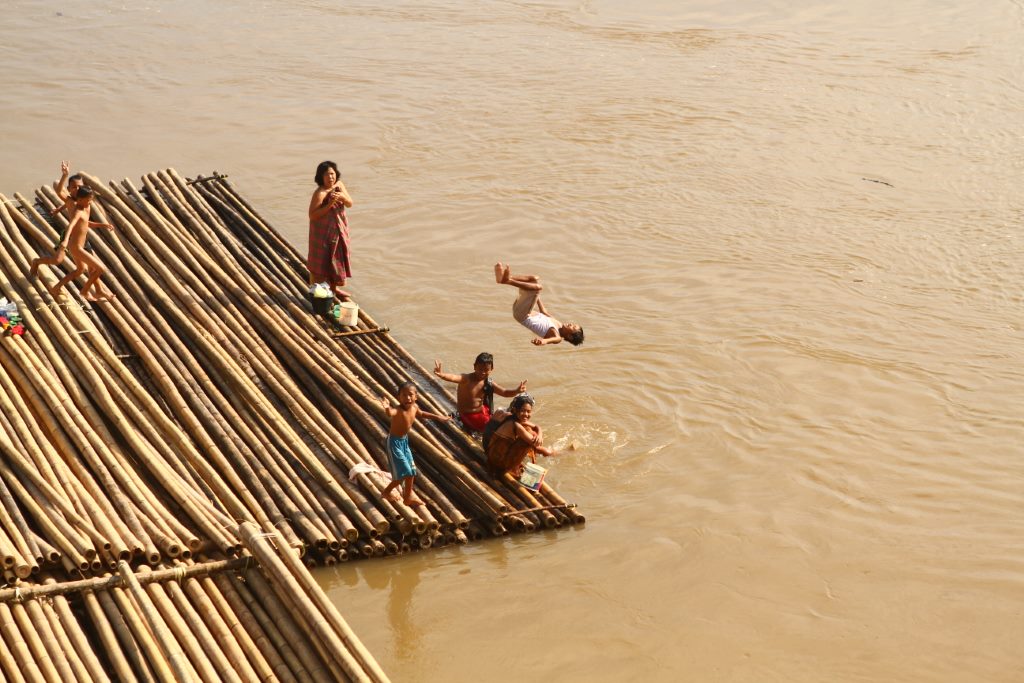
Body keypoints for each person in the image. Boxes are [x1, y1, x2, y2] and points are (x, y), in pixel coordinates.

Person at [379, 381, 452, 506]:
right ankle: (386, 492)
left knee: (412, 472)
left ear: (416, 397)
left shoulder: (415, 407)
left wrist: (438, 417)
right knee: (404, 473)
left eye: (410, 395)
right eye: (404, 395)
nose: (408, 398)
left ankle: (407, 498)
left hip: (404, 442)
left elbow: (422, 414)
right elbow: (390, 413)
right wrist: (386, 408)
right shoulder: (397, 409)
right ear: (398, 398)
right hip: (394, 443)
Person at [40, 186, 116, 301]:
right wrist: (65, 240)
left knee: (80, 270)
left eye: (91, 199)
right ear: (79, 200)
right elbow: (71, 225)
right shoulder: (78, 211)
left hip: (80, 246)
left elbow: (86, 223)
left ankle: (56, 288)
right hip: (77, 247)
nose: (90, 201)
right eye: (88, 199)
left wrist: (103, 225)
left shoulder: (87, 207)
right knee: (101, 269)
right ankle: (84, 291)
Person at [30, 162, 106, 277]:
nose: (77, 189)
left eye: (79, 187)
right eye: (74, 187)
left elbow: (69, 205)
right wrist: (64, 175)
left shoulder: (84, 200)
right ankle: (37, 261)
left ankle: (97, 290)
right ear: (69, 189)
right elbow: (60, 192)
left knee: (89, 267)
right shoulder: (70, 200)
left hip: (81, 237)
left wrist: (59, 209)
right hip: (69, 235)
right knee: (57, 260)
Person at [494, 262, 584, 347]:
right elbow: (543, 312)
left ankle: (507, 281)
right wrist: (537, 296)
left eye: (573, 327)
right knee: (534, 279)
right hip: (523, 310)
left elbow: (550, 340)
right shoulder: (559, 324)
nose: (571, 324)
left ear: (570, 336)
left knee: (538, 287)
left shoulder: (558, 337)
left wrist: (542, 341)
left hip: (522, 315)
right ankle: (504, 278)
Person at [433, 352, 527, 433]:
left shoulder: (488, 382)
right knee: (493, 428)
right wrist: (442, 375)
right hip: (468, 414)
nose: (482, 372)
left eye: (486, 370)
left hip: (483, 411)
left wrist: (516, 391)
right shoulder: (466, 379)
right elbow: (454, 377)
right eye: (480, 369)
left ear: (491, 370)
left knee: (507, 416)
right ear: (474, 366)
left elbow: (505, 392)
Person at [308, 160, 354, 301]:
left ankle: (334, 289)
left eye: (332, 174)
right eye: (327, 175)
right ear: (321, 177)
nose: (331, 178)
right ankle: (322, 293)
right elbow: (312, 215)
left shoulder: (339, 186)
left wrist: (342, 197)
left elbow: (350, 203)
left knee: (336, 261)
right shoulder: (320, 193)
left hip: (338, 231)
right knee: (321, 264)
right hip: (322, 235)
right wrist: (331, 204)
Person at [484, 393, 556, 478]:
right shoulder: (516, 426)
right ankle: (514, 469)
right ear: (515, 410)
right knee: (528, 438)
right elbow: (536, 443)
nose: (526, 414)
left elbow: (536, 426)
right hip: (498, 465)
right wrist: (537, 437)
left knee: (529, 431)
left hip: (491, 456)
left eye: (528, 411)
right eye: (523, 410)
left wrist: (539, 434)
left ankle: (549, 452)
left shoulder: (510, 416)